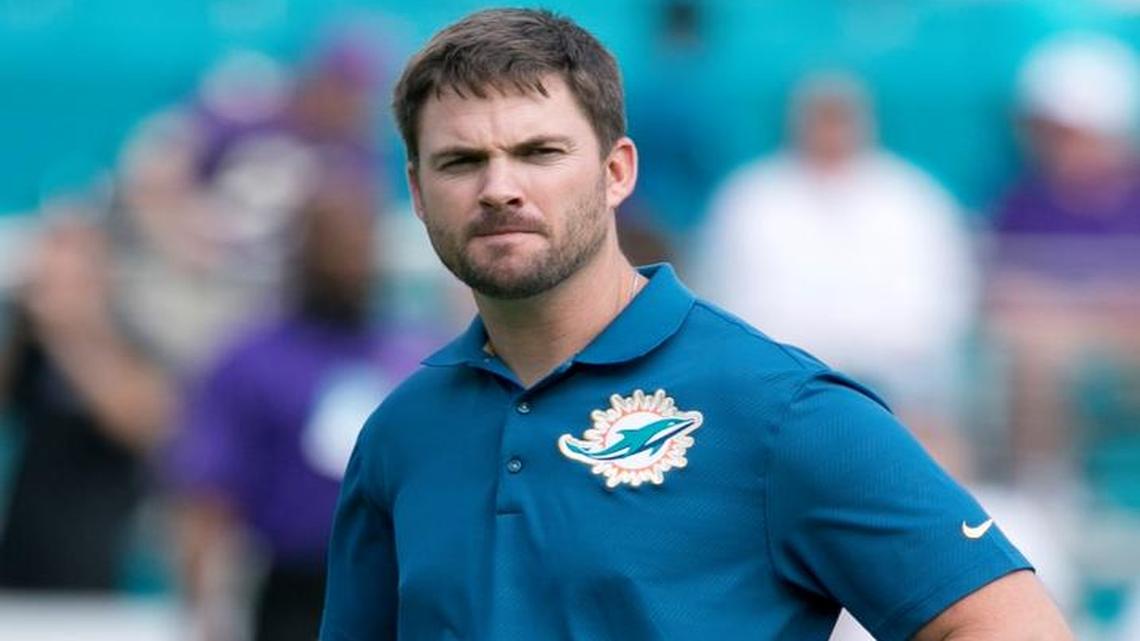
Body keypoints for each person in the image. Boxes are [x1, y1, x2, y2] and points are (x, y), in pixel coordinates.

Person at [320, 8, 1073, 641]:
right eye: (460, 162)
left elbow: (1008, 624)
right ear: (416, 192)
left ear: (617, 171)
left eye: (539, 152)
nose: (499, 188)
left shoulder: (780, 407)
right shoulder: (399, 433)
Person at [169, 182, 432, 641]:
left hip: (403, 581)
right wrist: (203, 613)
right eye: (331, 242)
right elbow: (207, 500)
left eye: (359, 242)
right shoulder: (252, 360)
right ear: (301, 249)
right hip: (297, 590)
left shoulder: (415, 357)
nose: (348, 260)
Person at [690, 72, 976, 474]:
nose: (831, 130)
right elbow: (723, 300)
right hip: (777, 383)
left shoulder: (913, 199)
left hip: (895, 384)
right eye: (820, 116)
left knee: (930, 446)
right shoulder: (749, 197)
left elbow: (940, 306)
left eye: (841, 117)